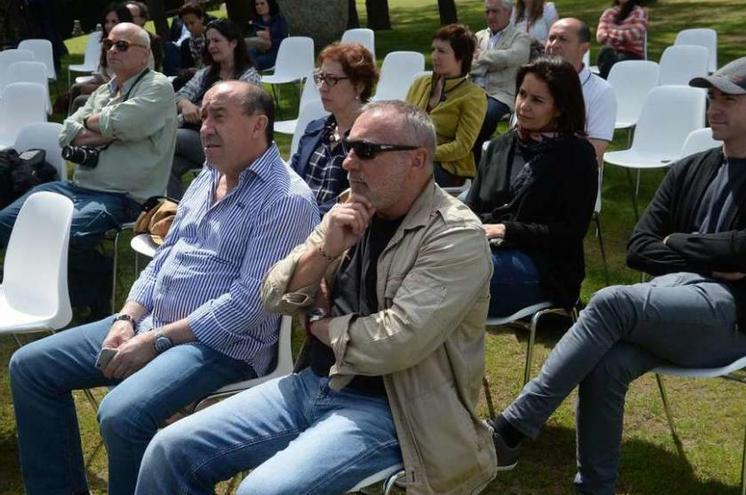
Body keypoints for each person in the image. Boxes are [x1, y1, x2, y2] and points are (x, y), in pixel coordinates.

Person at [487, 55, 746, 495]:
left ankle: (510, 428)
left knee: (609, 301)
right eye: (712, 97)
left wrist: (675, 244)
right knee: (607, 360)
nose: (714, 108)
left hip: (740, 319)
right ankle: (594, 487)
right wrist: (706, 255)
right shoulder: (690, 167)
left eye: (729, 100)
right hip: (672, 301)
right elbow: (639, 249)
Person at [135, 101, 496, 495]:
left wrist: (318, 323)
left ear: (417, 160)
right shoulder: (351, 206)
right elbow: (273, 292)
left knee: (261, 492)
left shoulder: (455, 236)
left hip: (395, 411)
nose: (349, 162)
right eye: (349, 148)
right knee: (168, 450)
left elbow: (395, 342)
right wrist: (322, 254)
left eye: (367, 151)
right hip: (313, 383)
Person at [9, 80, 319, 495]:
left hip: (223, 347)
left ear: (258, 124)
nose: (204, 127)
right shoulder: (207, 176)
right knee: (30, 367)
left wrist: (155, 340)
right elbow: (164, 258)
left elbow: (249, 304)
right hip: (151, 324)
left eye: (219, 116)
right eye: (204, 115)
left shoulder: (286, 200)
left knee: (122, 414)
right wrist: (127, 318)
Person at [1, 22, 175, 316]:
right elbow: (66, 131)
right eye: (108, 44)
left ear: (144, 54)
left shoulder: (157, 86)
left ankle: (94, 282)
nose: (111, 50)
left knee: (69, 234)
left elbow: (125, 124)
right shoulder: (106, 90)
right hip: (79, 187)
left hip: (126, 196)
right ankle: (78, 281)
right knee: (6, 222)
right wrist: (108, 127)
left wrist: (98, 124)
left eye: (122, 45)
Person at [465, 57, 598, 317]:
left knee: (452, 274)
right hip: (486, 251)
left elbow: (569, 232)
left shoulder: (577, 155)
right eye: (522, 95)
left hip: (544, 268)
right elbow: (473, 206)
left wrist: (506, 229)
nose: (523, 106)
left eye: (537, 100)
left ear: (559, 108)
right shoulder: (500, 146)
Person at [168, 19, 262, 200]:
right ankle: (174, 217)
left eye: (216, 41)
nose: (211, 46)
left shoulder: (248, 78)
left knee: (169, 137)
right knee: (168, 165)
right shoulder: (206, 73)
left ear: (233, 43)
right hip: (197, 140)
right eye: (208, 41)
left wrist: (202, 112)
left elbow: (239, 115)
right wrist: (186, 105)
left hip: (227, 142)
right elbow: (177, 96)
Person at [292, 42, 379, 214]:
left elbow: (359, 196)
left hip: (339, 229)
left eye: (332, 80)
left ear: (359, 85)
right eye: (321, 78)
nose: (322, 88)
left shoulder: (374, 138)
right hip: (295, 220)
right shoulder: (315, 129)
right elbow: (291, 180)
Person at [406, 24, 487, 186]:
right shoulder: (421, 83)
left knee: (403, 176)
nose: (434, 56)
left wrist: (423, 154)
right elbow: (402, 122)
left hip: (448, 167)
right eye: (433, 49)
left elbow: (462, 146)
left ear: (461, 57)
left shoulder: (474, 96)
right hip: (409, 157)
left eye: (442, 51)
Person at [546, 18, 617, 166]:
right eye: (551, 38)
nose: (553, 45)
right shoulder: (534, 84)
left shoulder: (601, 91)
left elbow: (594, 153)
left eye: (563, 39)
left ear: (584, 48)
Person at [471, 0, 532, 163]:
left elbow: (515, 57)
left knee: (484, 116)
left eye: (495, 11)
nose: (490, 16)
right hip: (473, 91)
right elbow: (467, 64)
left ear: (509, 13)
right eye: (487, 12)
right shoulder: (479, 36)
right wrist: (496, 62)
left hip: (501, 94)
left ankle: (477, 164)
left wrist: (482, 56)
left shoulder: (521, 37)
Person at [54, 4, 134, 115]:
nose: (109, 26)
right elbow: (102, 74)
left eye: (114, 22)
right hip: (107, 85)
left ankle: (76, 127)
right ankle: (71, 124)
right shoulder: (107, 44)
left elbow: (126, 82)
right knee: (76, 88)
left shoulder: (132, 46)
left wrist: (97, 88)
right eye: (107, 22)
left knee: (80, 100)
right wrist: (91, 83)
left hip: (123, 92)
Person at [595, 0, 648, 79]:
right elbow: (600, 36)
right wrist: (622, 34)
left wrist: (610, 32)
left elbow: (633, 35)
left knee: (615, 61)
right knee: (607, 52)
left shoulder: (639, 13)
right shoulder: (609, 13)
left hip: (631, 54)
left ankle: (607, 81)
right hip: (610, 53)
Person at [246, 0, 288, 71]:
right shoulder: (255, 22)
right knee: (250, 53)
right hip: (258, 50)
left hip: (275, 53)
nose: (259, 6)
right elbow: (250, 39)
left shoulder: (279, 21)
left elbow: (283, 40)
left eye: (262, 3)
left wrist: (269, 39)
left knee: (258, 61)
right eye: (257, 4)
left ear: (270, 5)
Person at [124, 1, 164, 71]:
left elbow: (156, 68)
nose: (128, 19)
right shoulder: (116, 39)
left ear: (143, 19)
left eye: (132, 16)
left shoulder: (153, 40)